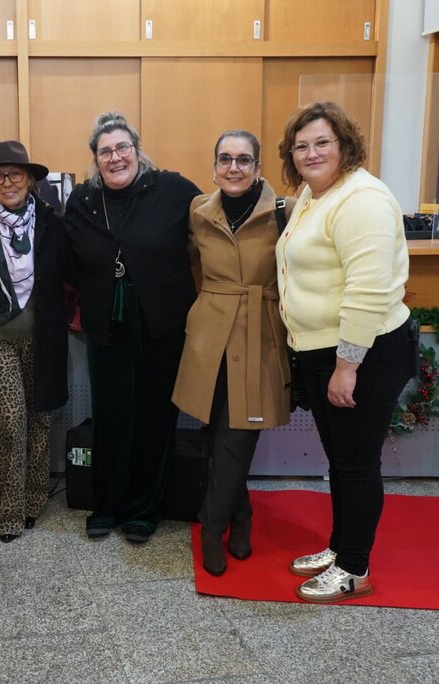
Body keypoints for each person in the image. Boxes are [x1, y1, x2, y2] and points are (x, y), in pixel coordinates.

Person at [276, 101, 413, 603]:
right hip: (322, 350)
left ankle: (353, 568)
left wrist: (347, 366)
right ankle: (339, 547)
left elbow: (368, 291)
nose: (311, 152)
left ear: (345, 145)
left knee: (355, 463)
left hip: (363, 353)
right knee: (341, 460)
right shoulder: (316, 195)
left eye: (322, 143)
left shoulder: (363, 199)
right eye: (301, 145)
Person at [65, 112, 201, 543]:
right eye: (105, 151)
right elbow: (68, 260)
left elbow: (215, 224)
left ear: (137, 151)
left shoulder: (173, 190)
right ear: (95, 159)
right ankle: (109, 504)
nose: (115, 157)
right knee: (112, 416)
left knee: (154, 417)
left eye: (123, 147)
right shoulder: (83, 201)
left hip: (161, 326)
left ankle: (145, 509)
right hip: (109, 328)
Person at [173, 130, 294, 575]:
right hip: (210, 336)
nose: (234, 168)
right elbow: (187, 261)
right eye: (225, 159)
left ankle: (211, 527)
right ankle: (240, 515)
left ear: (258, 167)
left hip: (260, 333)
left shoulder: (285, 211)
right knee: (219, 433)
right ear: (214, 166)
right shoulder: (199, 210)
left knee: (238, 435)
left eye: (244, 160)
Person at [0, 140, 68, 542]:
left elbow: (69, 274)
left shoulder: (51, 221)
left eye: (15, 173)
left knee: (40, 419)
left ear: (29, 179)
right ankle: (8, 512)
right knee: (8, 424)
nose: (7, 181)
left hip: (43, 338)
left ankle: (33, 500)